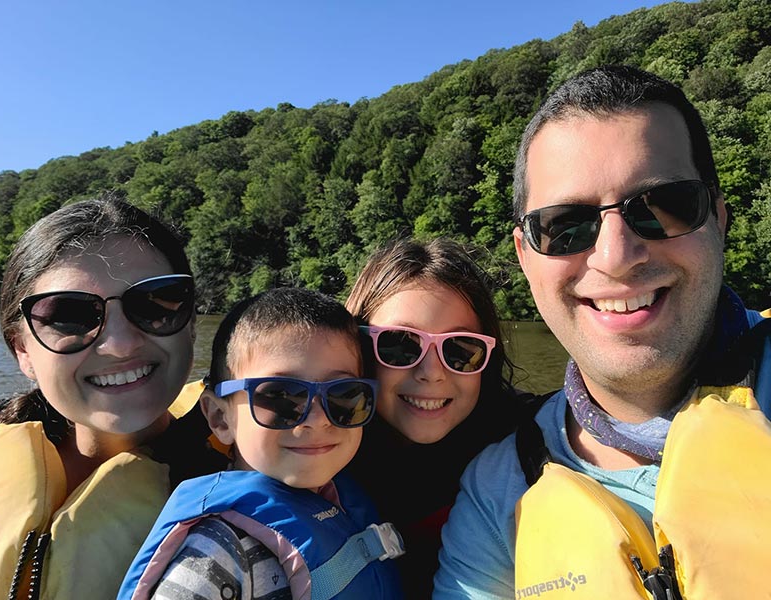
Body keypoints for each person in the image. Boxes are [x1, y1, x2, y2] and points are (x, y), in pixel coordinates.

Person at [434, 65, 771, 599]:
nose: (616, 257)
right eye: (566, 224)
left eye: (664, 207)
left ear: (719, 219)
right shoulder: (498, 494)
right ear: (525, 255)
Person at [0, 194, 227, 600]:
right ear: (22, 350)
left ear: (192, 323)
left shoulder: (255, 466)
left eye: (156, 303)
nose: (121, 344)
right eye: (69, 314)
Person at [118, 287, 405, 600]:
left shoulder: (342, 501)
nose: (318, 419)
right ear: (220, 419)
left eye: (344, 395)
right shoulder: (216, 553)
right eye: (281, 397)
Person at [344, 237, 523, 599]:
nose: (431, 372)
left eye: (460, 349)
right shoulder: (305, 444)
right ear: (355, 347)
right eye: (400, 344)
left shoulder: (527, 445)